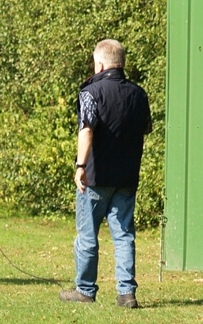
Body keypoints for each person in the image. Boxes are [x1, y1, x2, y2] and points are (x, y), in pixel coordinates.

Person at [59, 39, 152, 308]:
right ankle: (126, 294)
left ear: (99, 63)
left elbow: (86, 129)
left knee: (88, 235)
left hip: (95, 177)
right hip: (126, 177)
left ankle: (85, 290)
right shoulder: (139, 93)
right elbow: (144, 129)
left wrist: (80, 166)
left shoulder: (91, 91)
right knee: (123, 235)